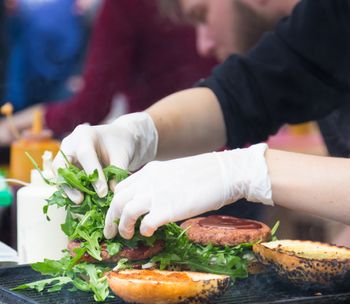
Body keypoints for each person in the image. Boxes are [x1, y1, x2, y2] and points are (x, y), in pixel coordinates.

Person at [53, 0, 350, 239]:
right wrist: (139, 131)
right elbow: (234, 97)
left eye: (201, 14)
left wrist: (246, 171)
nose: (203, 46)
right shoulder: (324, 19)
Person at [0, 0, 214, 145]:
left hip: (159, 157)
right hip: (224, 148)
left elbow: (90, 107)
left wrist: (10, 128)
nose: (204, 44)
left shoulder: (123, 6)